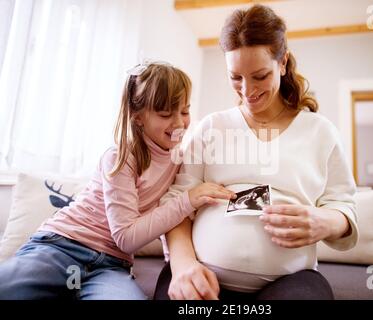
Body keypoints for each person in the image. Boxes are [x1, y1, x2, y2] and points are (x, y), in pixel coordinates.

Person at [154, 5, 358, 300]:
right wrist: (183, 265)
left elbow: (344, 206)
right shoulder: (211, 128)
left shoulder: (320, 132)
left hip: (292, 281)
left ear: (283, 63)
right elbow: (175, 205)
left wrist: (325, 221)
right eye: (235, 77)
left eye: (260, 76)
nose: (247, 90)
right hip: (201, 273)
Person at [0, 61, 235, 300]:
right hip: (62, 245)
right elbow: (126, 237)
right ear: (138, 117)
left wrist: (180, 261)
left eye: (184, 111)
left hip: (111, 267)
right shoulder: (120, 158)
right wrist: (188, 199)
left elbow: (169, 216)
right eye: (165, 114)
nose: (179, 123)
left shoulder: (181, 160)